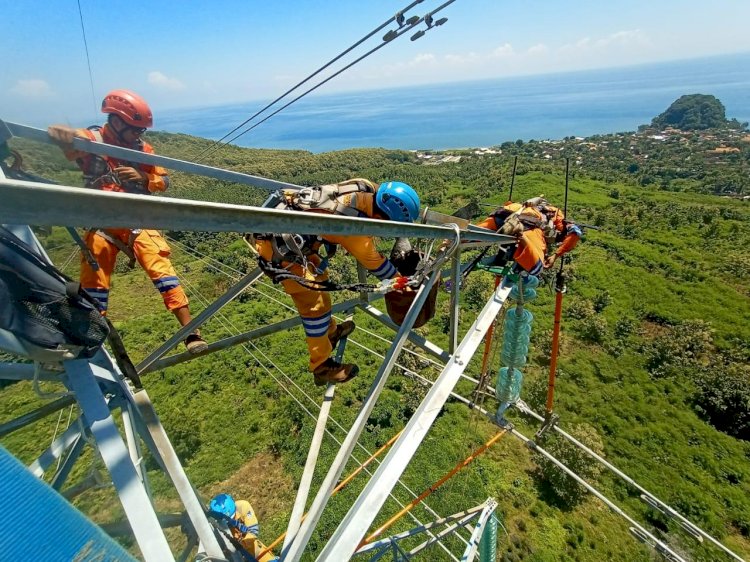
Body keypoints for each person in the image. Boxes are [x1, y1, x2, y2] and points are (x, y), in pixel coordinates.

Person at [47, 89, 207, 353]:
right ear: (118, 122)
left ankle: (191, 332)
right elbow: (73, 140)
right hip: (103, 222)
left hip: (137, 219)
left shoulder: (142, 149)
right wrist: (63, 133)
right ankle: (90, 333)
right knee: (94, 277)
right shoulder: (94, 140)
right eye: (135, 129)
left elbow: (163, 180)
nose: (139, 135)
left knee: (160, 267)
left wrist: (143, 178)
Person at [253, 179, 420, 386]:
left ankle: (331, 333)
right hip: (279, 250)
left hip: (291, 234)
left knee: (321, 285)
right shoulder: (353, 228)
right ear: (380, 216)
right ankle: (321, 366)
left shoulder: (365, 187)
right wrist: (403, 283)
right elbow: (376, 265)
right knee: (314, 305)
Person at [475, 196, 582, 274]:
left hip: (505, 214)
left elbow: (507, 204)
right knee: (537, 268)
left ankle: (460, 229)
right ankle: (520, 234)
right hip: (529, 226)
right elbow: (575, 232)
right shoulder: (556, 213)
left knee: (467, 234)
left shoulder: (526, 205)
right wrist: (556, 255)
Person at [209, 493, 278, 562]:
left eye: (233, 517)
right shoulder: (214, 525)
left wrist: (243, 546)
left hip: (253, 547)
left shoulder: (243, 506)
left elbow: (253, 531)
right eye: (227, 523)